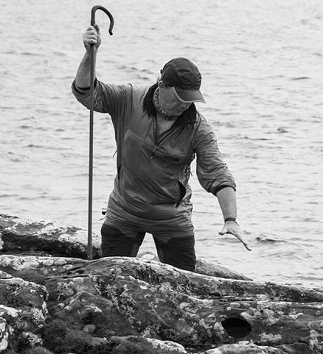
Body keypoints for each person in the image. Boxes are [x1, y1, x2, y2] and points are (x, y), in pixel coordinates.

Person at [72, 25, 251, 272]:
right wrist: (90, 54)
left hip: (172, 218)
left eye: (189, 101)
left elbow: (218, 173)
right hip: (125, 211)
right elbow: (86, 91)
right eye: (179, 98)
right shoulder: (129, 98)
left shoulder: (199, 128)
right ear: (162, 84)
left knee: (185, 285)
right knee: (107, 276)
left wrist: (230, 219)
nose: (183, 106)